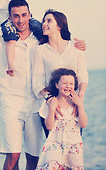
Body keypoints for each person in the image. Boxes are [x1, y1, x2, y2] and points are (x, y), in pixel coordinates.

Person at [0, 0, 85, 169]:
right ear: (10, 18)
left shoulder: (40, 40)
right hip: (10, 103)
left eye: (24, 15)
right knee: (13, 154)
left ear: (30, 15)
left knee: (34, 156)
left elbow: (61, 40)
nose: (20, 20)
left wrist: (80, 43)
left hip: (36, 105)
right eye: (16, 16)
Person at [32, 9, 88, 138]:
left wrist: (80, 97)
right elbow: (37, 80)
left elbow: (82, 73)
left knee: (74, 148)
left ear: (59, 25)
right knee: (53, 150)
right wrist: (50, 99)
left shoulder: (75, 47)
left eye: (49, 20)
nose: (44, 24)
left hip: (72, 105)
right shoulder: (40, 50)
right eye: (43, 21)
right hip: (51, 108)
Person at [36, 68, 88, 170]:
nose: (68, 86)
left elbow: (83, 124)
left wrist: (80, 106)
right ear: (57, 85)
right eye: (64, 83)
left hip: (74, 148)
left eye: (71, 84)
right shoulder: (51, 103)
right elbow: (49, 126)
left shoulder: (76, 103)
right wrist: (52, 109)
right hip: (55, 147)